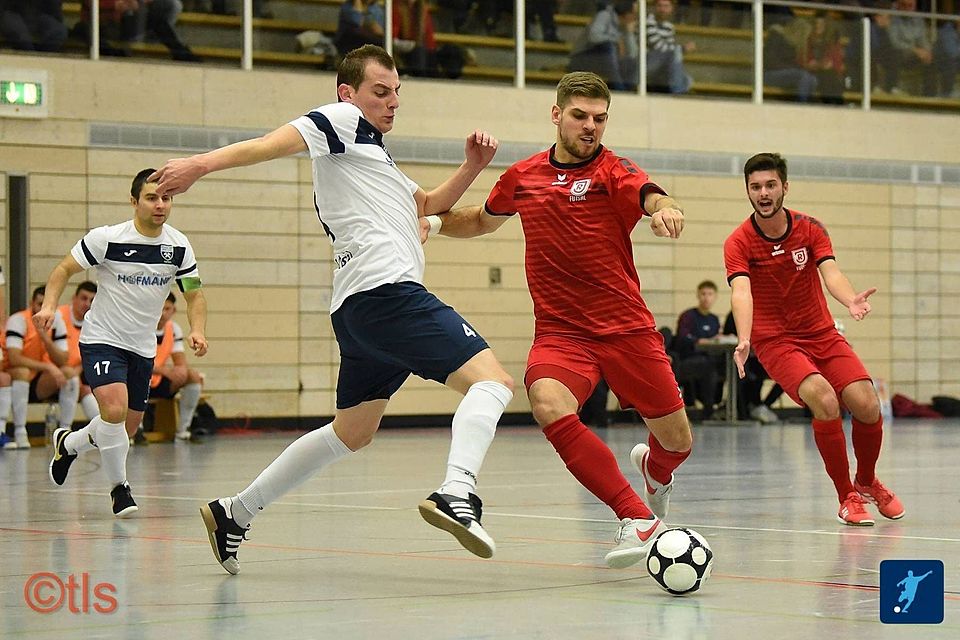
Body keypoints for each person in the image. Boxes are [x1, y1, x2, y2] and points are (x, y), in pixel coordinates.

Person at [150, 45, 514, 574]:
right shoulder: (339, 120)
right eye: (380, 92)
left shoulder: (372, 153)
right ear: (349, 93)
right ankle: (457, 492)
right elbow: (272, 144)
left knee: (352, 432)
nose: (391, 103)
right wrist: (200, 165)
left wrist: (472, 167)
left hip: (358, 308)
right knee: (494, 382)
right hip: (389, 294)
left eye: (396, 93)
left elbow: (425, 205)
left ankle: (235, 512)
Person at [420, 71, 692, 569]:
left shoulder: (614, 171)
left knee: (678, 442)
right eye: (580, 116)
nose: (591, 126)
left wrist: (666, 208)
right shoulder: (524, 176)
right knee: (546, 401)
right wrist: (433, 222)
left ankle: (655, 469)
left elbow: (651, 193)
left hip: (627, 329)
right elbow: (481, 218)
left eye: (600, 119)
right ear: (557, 115)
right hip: (562, 334)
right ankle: (636, 517)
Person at [724, 152, 904, 526]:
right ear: (748, 191)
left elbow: (831, 272)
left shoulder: (810, 229)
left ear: (784, 187)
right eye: (755, 186)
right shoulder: (738, 242)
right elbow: (741, 292)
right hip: (776, 341)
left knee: (866, 403)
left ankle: (867, 481)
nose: (763, 193)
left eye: (770, 184)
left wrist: (850, 298)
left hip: (821, 332)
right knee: (824, 398)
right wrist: (744, 338)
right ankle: (846, 495)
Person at [37, 168, 208, 517]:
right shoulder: (107, 238)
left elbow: (194, 294)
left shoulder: (178, 246)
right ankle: (120, 490)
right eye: (151, 197)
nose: (160, 204)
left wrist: (198, 329)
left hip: (142, 347)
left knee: (124, 429)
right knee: (113, 413)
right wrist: (50, 306)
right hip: (102, 339)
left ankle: (68, 444)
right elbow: (63, 270)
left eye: (166, 198)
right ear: (134, 201)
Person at [4, 286, 79, 450]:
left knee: (70, 374)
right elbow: (14, 358)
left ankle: (65, 431)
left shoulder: (56, 321)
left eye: (47, 306)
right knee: (22, 372)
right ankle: (20, 431)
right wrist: (48, 367)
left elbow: (63, 358)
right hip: (16, 374)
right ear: (32, 304)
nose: (43, 310)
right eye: (39, 305)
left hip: (39, 380)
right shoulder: (19, 320)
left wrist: (45, 338)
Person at [146, 292, 205, 442]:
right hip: (140, 379)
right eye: (160, 308)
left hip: (159, 382)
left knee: (192, 377)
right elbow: (134, 361)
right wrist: (162, 370)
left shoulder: (174, 329)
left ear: (174, 310)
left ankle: (183, 431)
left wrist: (181, 372)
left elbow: (180, 363)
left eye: (167, 309)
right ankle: (136, 432)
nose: (163, 314)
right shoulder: (142, 326)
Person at [673, 280, 723, 421]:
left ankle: (732, 409)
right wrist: (697, 341)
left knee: (723, 366)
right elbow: (682, 338)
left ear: (715, 296)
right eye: (703, 294)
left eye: (710, 294)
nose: (706, 297)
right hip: (687, 360)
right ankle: (708, 409)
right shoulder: (688, 316)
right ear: (698, 295)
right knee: (708, 368)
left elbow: (715, 338)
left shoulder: (714, 319)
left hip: (709, 358)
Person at [723, 311, 781, 423]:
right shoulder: (734, 314)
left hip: (760, 357)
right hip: (741, 358)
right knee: (746, 372)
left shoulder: (765, 314)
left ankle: (764, 405)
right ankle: (745, 410)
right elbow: (728, 334)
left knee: (785, 372)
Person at [568, 1, 638, 91]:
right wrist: (617, 40)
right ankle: (620, 89)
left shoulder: (625, 26)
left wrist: (629, 34)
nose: (635, 17)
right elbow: (594, 37)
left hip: (608, 63)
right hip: (583, 58)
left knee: (632, 62)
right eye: (634, 13)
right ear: (627, 13)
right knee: (608, 47)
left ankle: (628, 90)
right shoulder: (604, 15)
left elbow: (633, 54)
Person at [57, 281, 101, 424]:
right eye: (83, 298)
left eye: (92, 300)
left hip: (80, 370)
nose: (87, 304)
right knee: (72, 379)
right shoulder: (59, 316)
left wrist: (77, 370)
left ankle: (103, 432)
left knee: (90, 389)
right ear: (74, 298)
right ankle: (65, 429)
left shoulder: (96, 322)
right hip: (54, 369)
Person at [646, 0, 694, 94]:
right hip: (647, 62)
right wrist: (683, 49)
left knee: (688, 79)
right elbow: (657, 46)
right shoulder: (648, 21)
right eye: (660, 6)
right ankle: (677, 92)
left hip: (662, 65)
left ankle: (677, 89)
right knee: (676, 53)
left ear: (672, 8)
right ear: (654, 7)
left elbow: (669, 48)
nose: (662, 9)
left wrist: (677, 50)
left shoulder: (669, 26)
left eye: (666, 6)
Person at [0, 0, 67, 52]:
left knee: (59, 31)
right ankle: (30, 56)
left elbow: (54, 6)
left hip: (40, 13)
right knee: (19, 33)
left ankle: (41, 58)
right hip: (11, 11)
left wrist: (56, 18)